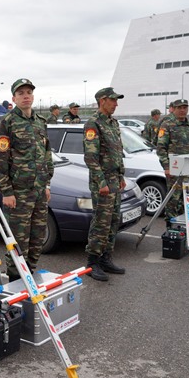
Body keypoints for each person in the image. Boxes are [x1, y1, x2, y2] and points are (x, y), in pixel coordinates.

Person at [0, 78, 53, 282]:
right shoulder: (7, 122)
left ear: (33, 96)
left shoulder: (40, 122)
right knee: (19, 242)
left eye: (29, 92)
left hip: (38, 192)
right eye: (21, 93)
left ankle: (29, 278)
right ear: (14, 98)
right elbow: (0, 161)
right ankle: (15, 284)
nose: (26, 96)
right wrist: (7, 191)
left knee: (37, 240)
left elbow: (47, 155)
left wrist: (46, 184)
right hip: (18, 194)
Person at [83, 87, 126, 281]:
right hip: (103, 182)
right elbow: (91, 157)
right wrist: (101, 182)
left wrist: (122, 176)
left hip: (115, 180)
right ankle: (93, 262)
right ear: (103, 101)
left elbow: (118, 152)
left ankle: (106, 258)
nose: (116, 104)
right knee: (101, 222)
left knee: (113, 220)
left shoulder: (113, 123)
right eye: (113, 100)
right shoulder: (94, 124)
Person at [156, 99, 189, 228]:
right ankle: (170, 226)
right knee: (173, 199)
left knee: (186, 198)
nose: (182, 110)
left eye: (185, 107)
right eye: (179, 108)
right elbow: (161, 148)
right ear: (174, 109)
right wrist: (166, 167)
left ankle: (183, 224)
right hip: (174, 169)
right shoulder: (167, 125)